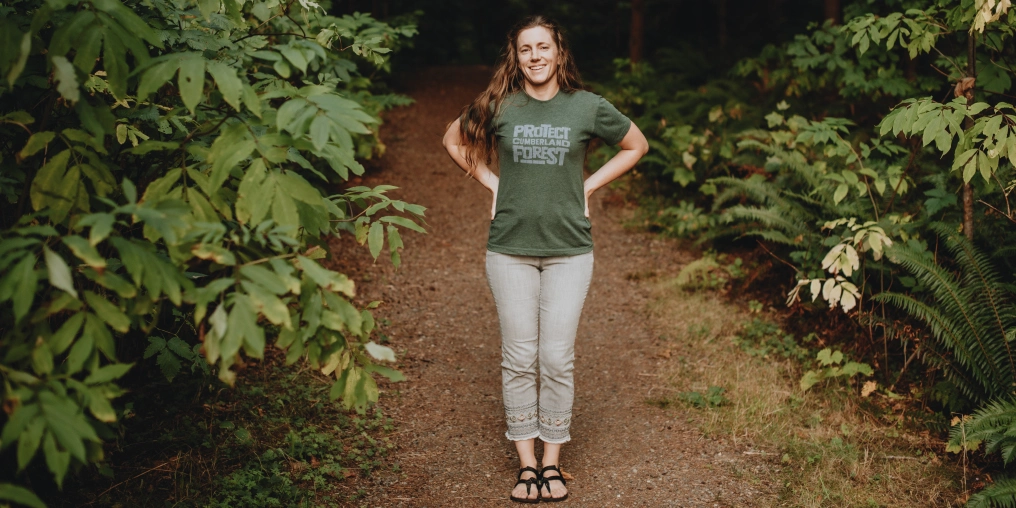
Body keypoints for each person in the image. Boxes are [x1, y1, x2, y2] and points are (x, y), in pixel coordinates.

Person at [442, 14, 648, 504]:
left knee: (555, 358)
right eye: (525, 49)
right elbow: (453, 139)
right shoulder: (499, 104)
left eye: (543, 47)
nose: (535, 56)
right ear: (516, 57)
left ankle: (552, 465)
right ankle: (526, 466)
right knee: (519, 358)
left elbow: (635, 144)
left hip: (569, 251)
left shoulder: (586, 107)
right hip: (509, 248)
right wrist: (493, 182)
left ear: (559, 53)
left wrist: (588, 184)